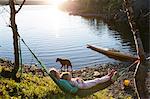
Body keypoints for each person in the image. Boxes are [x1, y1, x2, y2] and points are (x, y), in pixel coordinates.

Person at [50, 68, 117, 90]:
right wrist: (79, 81)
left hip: (84, 83)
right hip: (85, 85)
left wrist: (77, 79)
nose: (71, 76)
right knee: (97, 81)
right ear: (68, 78)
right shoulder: (69, 82)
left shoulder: (66, 80)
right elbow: (79, 87)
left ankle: (107, 76)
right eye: (70, 76)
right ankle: (109, 77)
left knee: (97, 80)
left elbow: (74, 80)